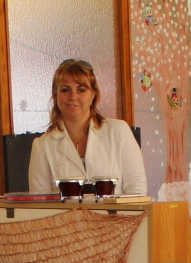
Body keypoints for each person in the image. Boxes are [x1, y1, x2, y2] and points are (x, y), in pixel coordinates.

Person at [27, 59, 146, 196]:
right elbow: (40, 203)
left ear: (93, 95)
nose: (73, 96)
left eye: (81, 90)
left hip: (116, 211)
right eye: (65, 90)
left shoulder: (119, 131)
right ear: (55, 95)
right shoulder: (42, 146)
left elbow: (137, 191)